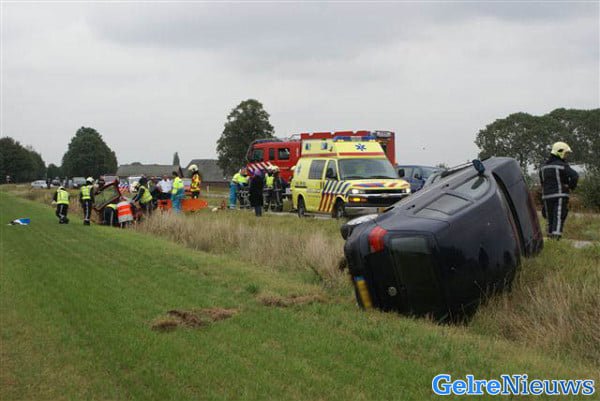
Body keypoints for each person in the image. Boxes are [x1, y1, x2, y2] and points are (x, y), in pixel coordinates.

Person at [539, 141, 579, 240]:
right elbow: (575, 176)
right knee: (558, 216)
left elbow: (542, 183)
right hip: (560, 195)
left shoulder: (543, 168)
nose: (566, 156)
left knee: (550, 218)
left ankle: (550, 239)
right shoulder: (562, 165)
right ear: (559, 152)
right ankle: (556, 239)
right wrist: (570, 187)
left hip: (546, 197)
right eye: (565, 153)